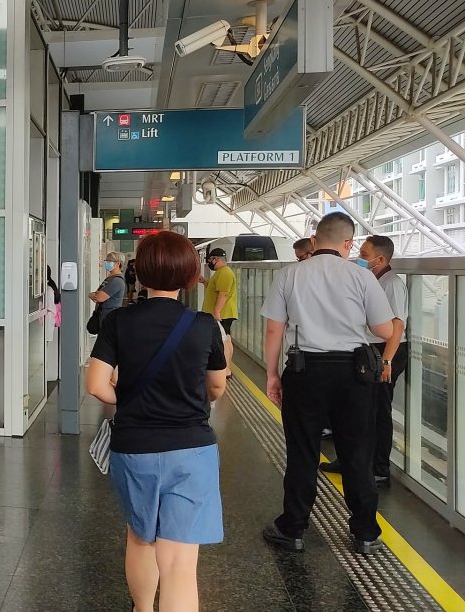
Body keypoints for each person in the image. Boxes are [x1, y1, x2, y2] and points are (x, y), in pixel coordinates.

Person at [86, 231, 227, 612]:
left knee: (140, 538)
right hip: (191, 449)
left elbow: (97, 386)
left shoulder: (118, 322)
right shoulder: (204, 326)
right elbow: (217, 387)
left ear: (140, 274)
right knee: (180, 564)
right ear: (189, 275)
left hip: (135, 448)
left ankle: (142, 609)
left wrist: (131, 398)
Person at [260, 212, 394, 556]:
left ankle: (293, 529)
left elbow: (274, 329)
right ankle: (365, 532)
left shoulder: (290, 274)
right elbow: (385, 330)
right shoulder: (362, 277)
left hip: (305, 371)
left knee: (303, 452)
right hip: (354, 374)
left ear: (315, 241)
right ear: (348, 244)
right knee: (357, 453)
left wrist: (273, 375)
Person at [320, 235, 407, 487]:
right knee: (358, 408)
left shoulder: (392, 284)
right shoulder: (371, 279)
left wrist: (387, 361)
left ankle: (379, 468)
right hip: (368, 349)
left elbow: (397, 327)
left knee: (379, 411)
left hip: (386, 350)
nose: (360, 256)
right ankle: (349, 460)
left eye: (365, 254)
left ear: (380, 259)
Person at [88, 252, 126, 330]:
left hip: (109, 316)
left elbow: (99, 297)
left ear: (118, 263)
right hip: (103, 314)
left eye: (110, 261)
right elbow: (97, 294)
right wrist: (94, 295)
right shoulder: (110, 278)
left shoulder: (117, 281)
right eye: (106, 260)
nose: (107, 263)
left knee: (105, 340)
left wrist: (93, 295)